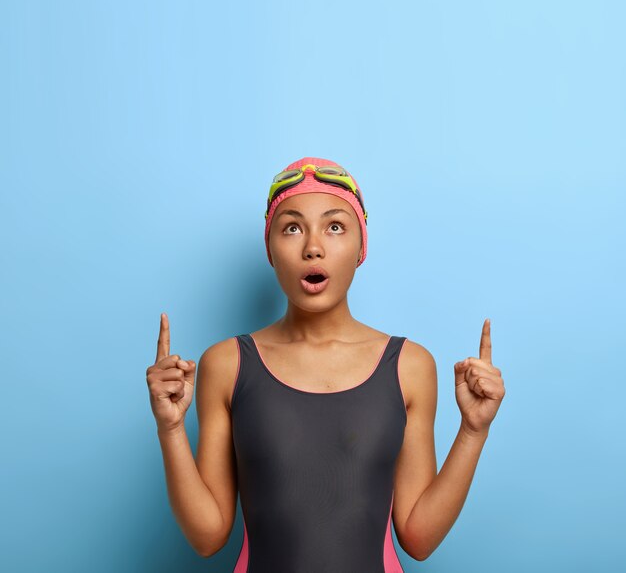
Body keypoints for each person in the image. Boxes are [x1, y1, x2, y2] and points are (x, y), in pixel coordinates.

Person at [146, 157, 506, 572]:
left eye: (335, 226)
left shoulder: (409, 365)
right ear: (270, 249)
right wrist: (170, 429)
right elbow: (208, 538)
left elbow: (418, 537)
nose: (313, 247)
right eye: (292, 227)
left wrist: (473, 430)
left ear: (361, 247)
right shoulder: (227, 364)